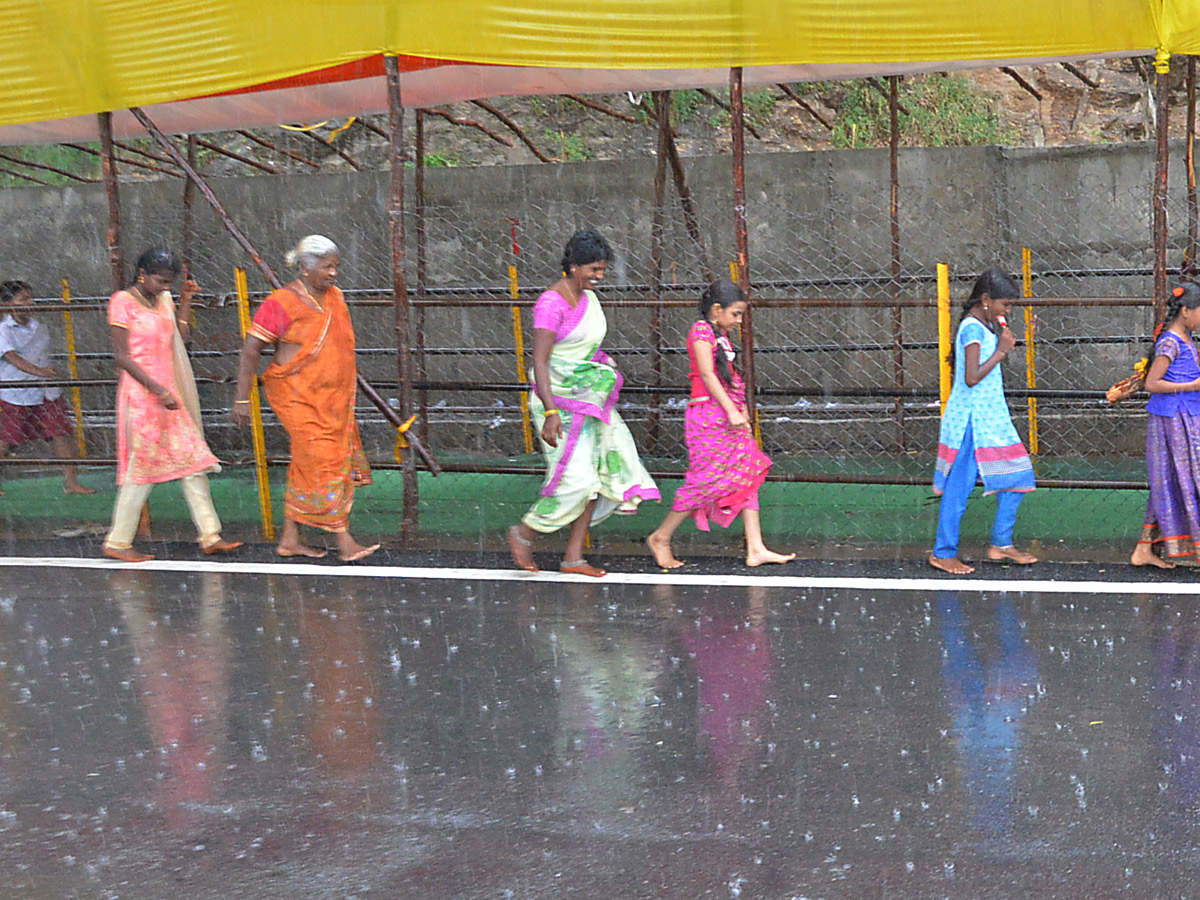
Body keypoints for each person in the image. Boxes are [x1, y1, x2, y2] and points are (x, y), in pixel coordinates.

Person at [507, 229, 660, 577]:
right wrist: (549, 411)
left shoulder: (589, 299)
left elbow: (584, 349)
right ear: (572, 266)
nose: (599, 276)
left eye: (602, 269)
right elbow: (542, 362)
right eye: (594, 269)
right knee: (574, 480)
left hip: (589, 400)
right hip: (556, 403)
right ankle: (525, 531)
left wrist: (599, 365)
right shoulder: (551, 303)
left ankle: (573, 558)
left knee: (598, 476)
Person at [233, 234, 378, 562]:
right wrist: (242, 398)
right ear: (305, 268)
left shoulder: (336, 298)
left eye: (335, 267)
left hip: (334, 401)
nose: (333, 274)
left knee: (307, 464)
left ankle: (289, 540)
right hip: (297, 398)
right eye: (327, 267)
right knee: (323, 461)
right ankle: (344, 540)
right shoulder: (280, 303)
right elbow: (251, 349)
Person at [103, 248, 242, 562]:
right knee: (141, 468)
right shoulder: (122, 302)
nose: (165, 286)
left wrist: (185, 299)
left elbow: (178, 337)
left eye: (169, 282)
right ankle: (118, 541)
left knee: (194, 462)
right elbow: (122, 357)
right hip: (142, 397)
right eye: (161, 281)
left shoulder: (163, 299)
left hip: (168, 396)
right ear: (142, 274)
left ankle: (210, 535)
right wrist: (157, 390)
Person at [646, 280, 794, 568]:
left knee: (748, 469)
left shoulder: (719, 333)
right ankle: (661, 536)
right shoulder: (702, 330)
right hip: (709, 416)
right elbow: (707, 374)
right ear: (717, 309)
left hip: (726, 413)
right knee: (705, 479)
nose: (739, 321)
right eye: (736, 314)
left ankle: (756, 547)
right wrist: (732, 411)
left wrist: (737, 411)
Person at [930, 268, 1037, 575]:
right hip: (971, 422)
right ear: (986, 300)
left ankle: (1001, 543)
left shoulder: (984, 326)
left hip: (991, 420)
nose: (1008, 311)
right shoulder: (972, 328)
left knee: (1018, 476)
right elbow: (972, 377)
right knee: (958, 488)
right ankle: (943, 552)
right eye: (1005, 304)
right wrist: (1002, 351)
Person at [0, 279, 94, 495]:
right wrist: (38, 371)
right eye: (23, 299)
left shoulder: (38, 326)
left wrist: (46, 372)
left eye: (30, 298)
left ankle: (71, 482)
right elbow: (12, 357)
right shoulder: (4, 330)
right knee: (7, 439)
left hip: (47, 392)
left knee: (61, 433)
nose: (30, 303)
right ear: (8, 304)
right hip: (17, 392)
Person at [1131, 282, 1200, 568]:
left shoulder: (1185, 337)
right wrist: (1193, 385)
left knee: (1171, 481)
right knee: (1189, 479)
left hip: (1187, 416)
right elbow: (1152, 383)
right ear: (1186, 311)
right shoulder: (1171, 341)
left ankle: (1144, 549)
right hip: (1174, 420)